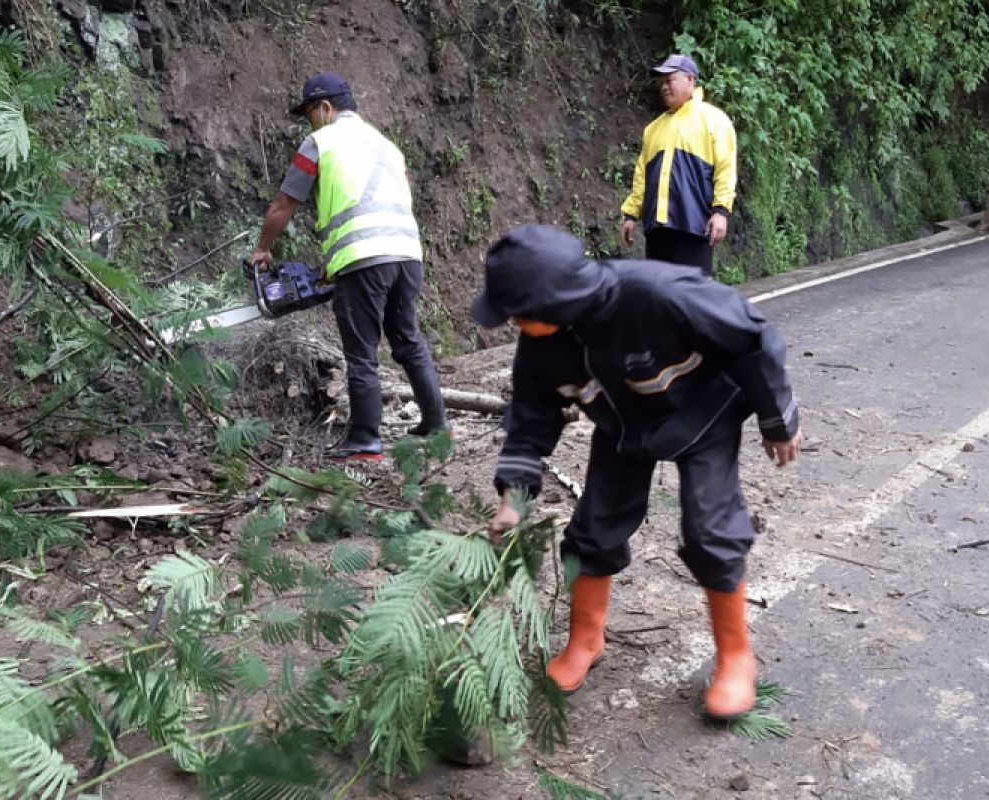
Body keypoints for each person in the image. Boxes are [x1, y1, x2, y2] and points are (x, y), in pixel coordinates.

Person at [470, 224, 801, 720]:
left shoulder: (656, 293)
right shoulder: (540, 345)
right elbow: (529, 421)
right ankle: (585, 640)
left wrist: (777, 420)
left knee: (710, 528)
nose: (513, 323)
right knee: (593, 529)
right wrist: (513, 500)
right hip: (624, 428)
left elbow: (751, 335)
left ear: (556, 303)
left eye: (518, 313)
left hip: (703, 415)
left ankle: (735, 657)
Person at [249, 73, 447, 461]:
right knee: (408, 340)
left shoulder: (319, 143)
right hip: (407, 255)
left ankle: (365, 439)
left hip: (365, 261)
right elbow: (374, 201)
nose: (310, 122)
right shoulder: (387, 146)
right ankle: (437, 422)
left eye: (310, 113)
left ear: (325, 108)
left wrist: (262, 250)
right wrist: (336, 262)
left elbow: (284, 205)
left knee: (361, 352)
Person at [620, 54, 737, 278]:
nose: (664, 87)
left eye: (670, 80)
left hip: (693, 226)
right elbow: (642, 176)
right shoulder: (653, 128)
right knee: (658, 295)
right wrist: (631, 215)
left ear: (690, 80)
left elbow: (726, 169)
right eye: (661, 82)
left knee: (693, 297)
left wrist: (721, 212)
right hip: (658, 230)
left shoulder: (713, 120)